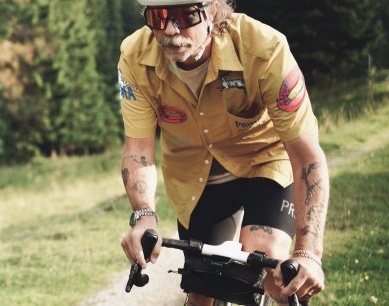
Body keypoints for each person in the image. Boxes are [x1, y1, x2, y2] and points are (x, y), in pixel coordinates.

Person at [116, 0, 329, 304]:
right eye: (158, 16)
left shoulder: (265, 48)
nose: (171, 29)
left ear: (213, 10)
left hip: (265, 164)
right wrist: (144, 216)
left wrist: (309, 253)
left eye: (186, 15)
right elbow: (138, 151)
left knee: (271, 266)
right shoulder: (135, 55)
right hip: (196, 178)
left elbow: (307, 156)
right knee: (201, 287)